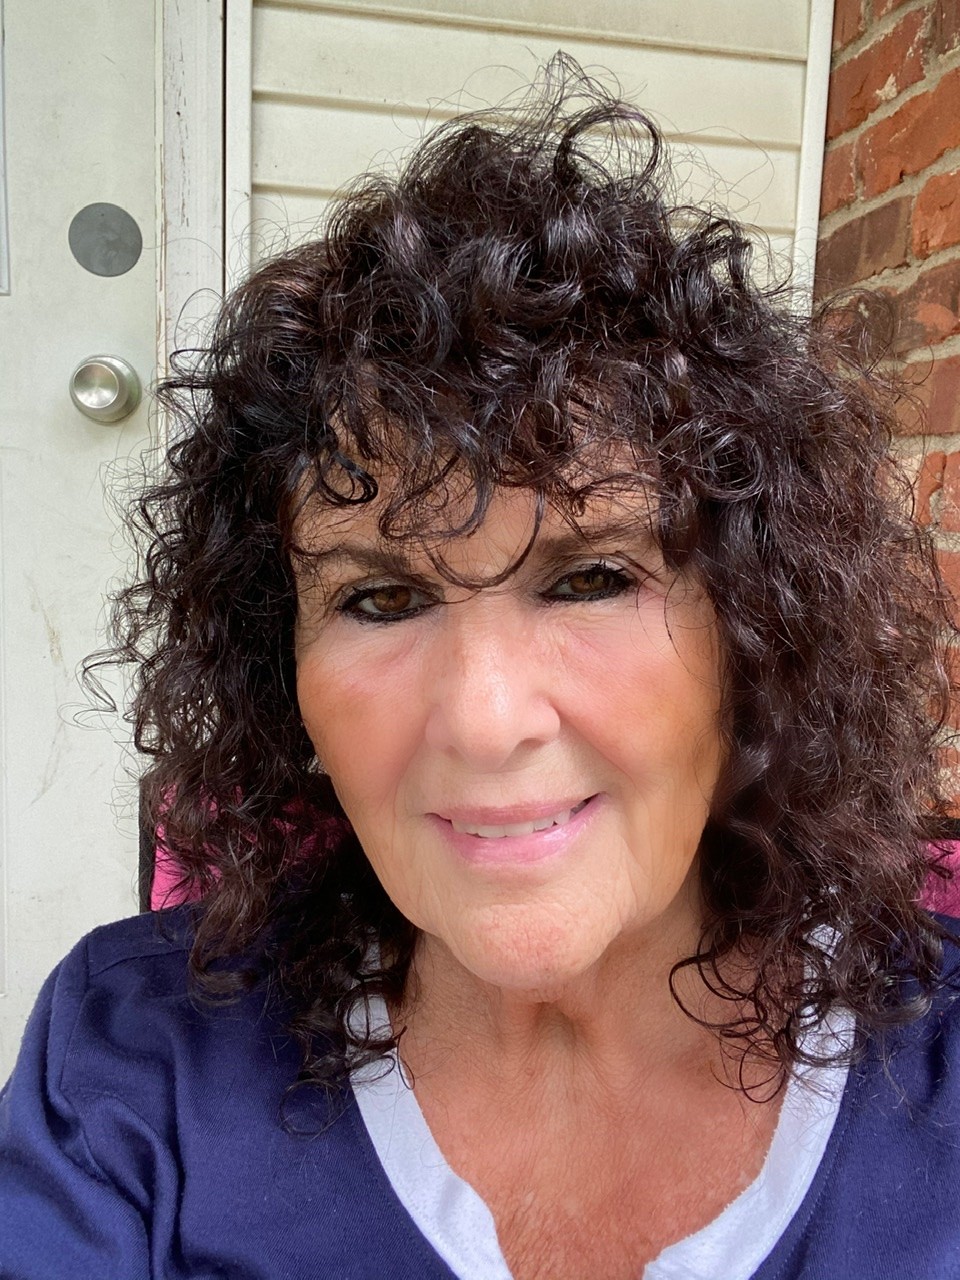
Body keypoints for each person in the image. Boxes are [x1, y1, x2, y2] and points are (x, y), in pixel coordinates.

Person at [2, 60, 960, 1280]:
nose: (487, 719)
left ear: (755, 632)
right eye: (380, 598)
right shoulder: (130, 1065)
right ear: (282, 678)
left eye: (593, 576)